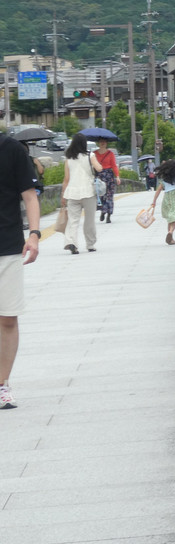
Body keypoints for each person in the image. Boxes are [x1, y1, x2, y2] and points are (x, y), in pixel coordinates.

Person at [1, 132, 41, 409]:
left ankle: (2, 384)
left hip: (7, 245)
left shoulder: (12, 149)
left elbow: (30, 196)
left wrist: (35, 234)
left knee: (7, 319)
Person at [61, 134, 103, 254]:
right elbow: (99, 168)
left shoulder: (68, 158)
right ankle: (90, 244)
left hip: (72, 192)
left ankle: (71, 242)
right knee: (89, 220)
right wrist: (98, 165)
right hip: (88, 192)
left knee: (73, 220)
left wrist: (63, 195)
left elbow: (66, 179)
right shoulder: (90, 155)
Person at [93, 138, 121, 223]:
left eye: (104, 142)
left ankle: (109, 214)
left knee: (109, 195)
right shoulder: (94, 154)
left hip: (109, 176)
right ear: (98, 143)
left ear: (106, 143)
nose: (102, 143)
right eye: (101, 142)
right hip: (99, 176)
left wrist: (117, 176)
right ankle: (103, 211)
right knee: (101, 195)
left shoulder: (110, 154)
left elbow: (114, 166)